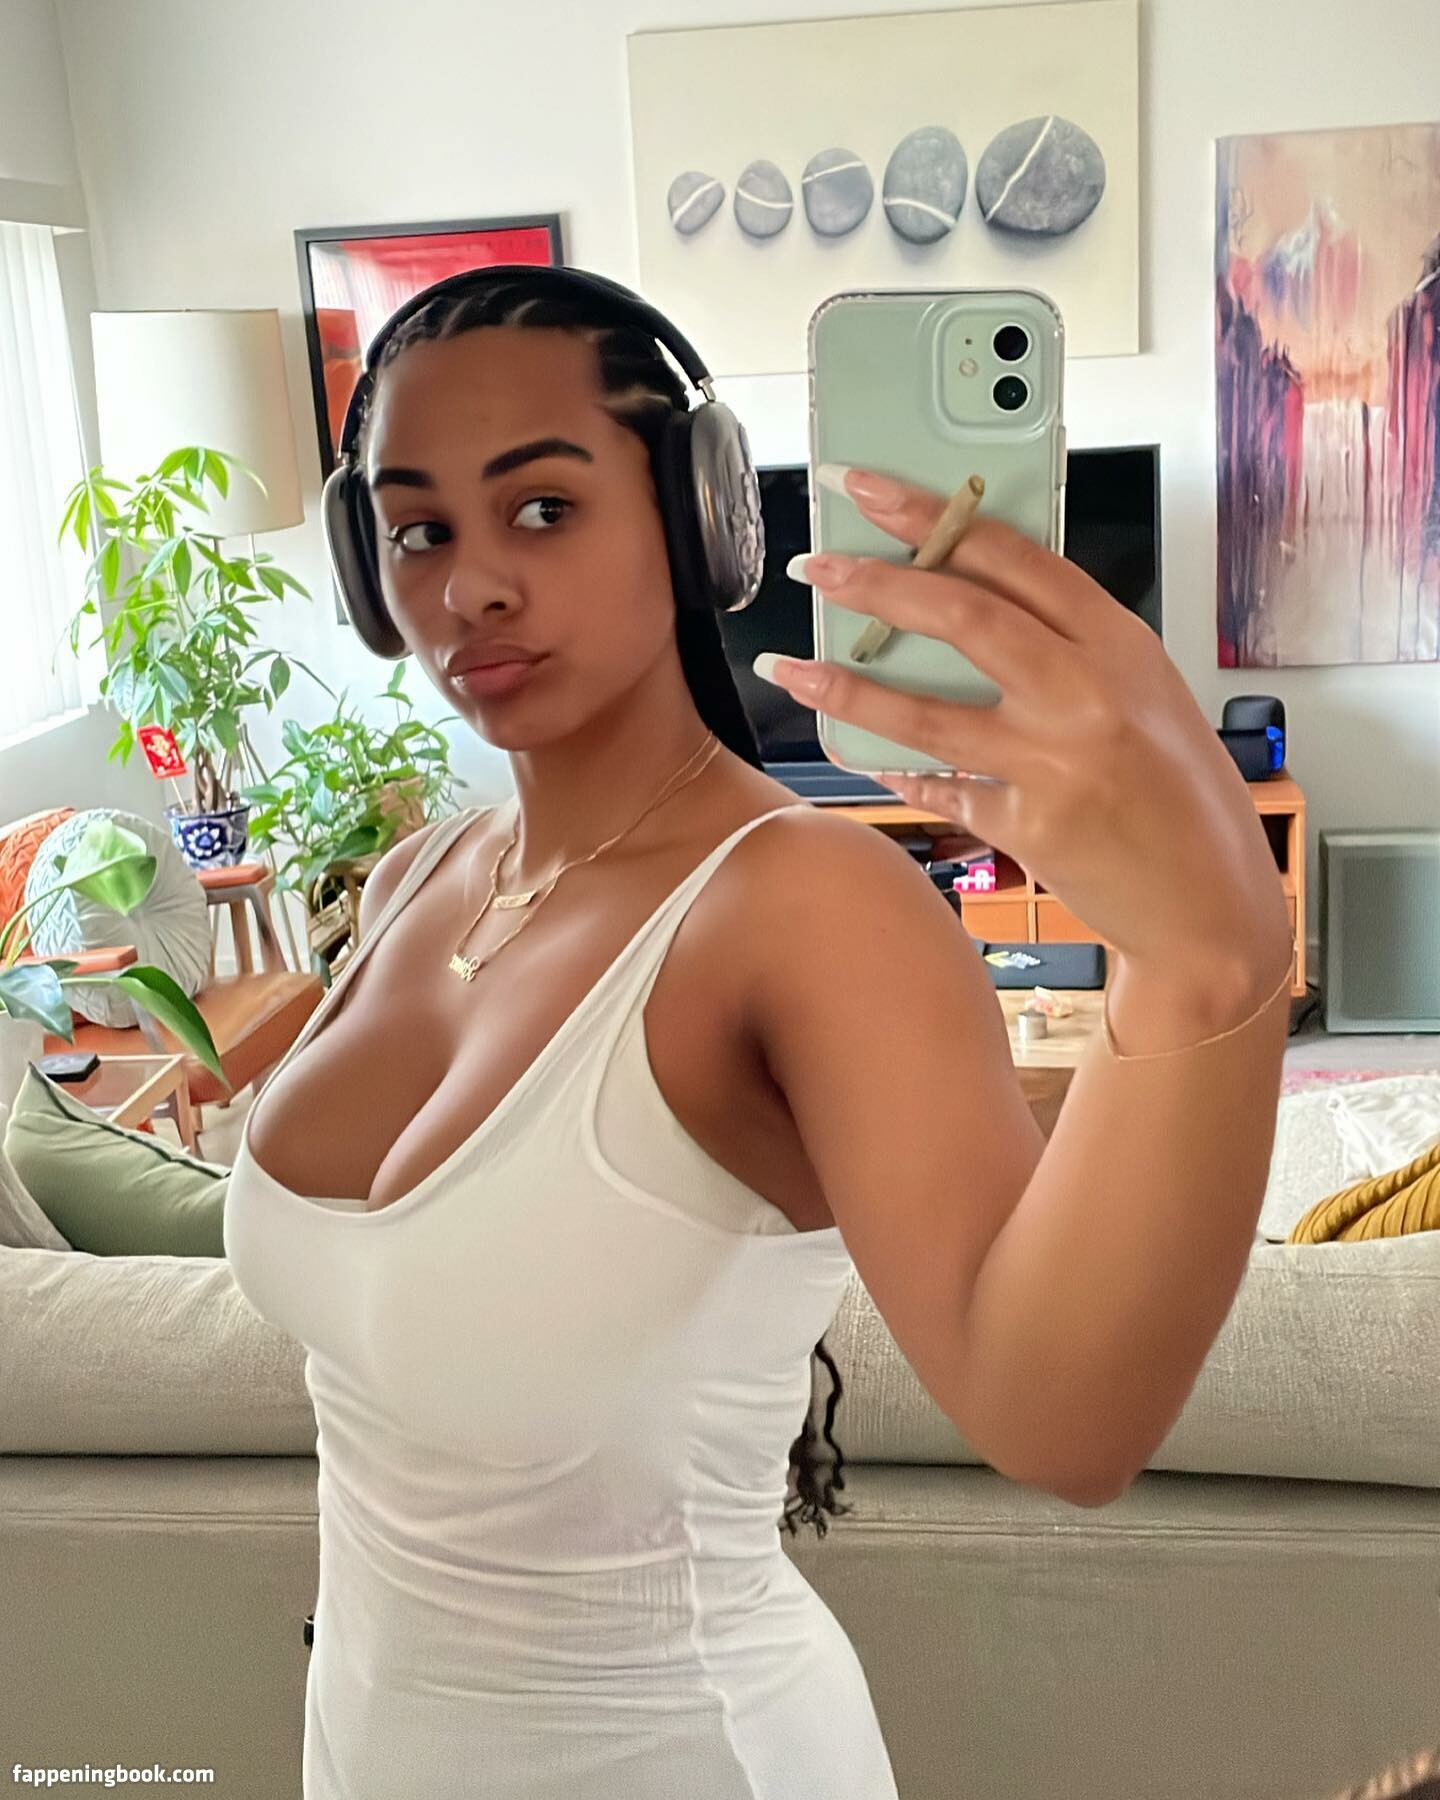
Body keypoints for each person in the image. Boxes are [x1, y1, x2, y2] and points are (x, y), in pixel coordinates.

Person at [223, 266, 1295, 1799]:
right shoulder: (416, 876)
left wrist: (1202, 957)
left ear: (697, 519)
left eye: (542, 509)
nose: (471, 587)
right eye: (417, 531)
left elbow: (1065, 1423)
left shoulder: (807, 905)